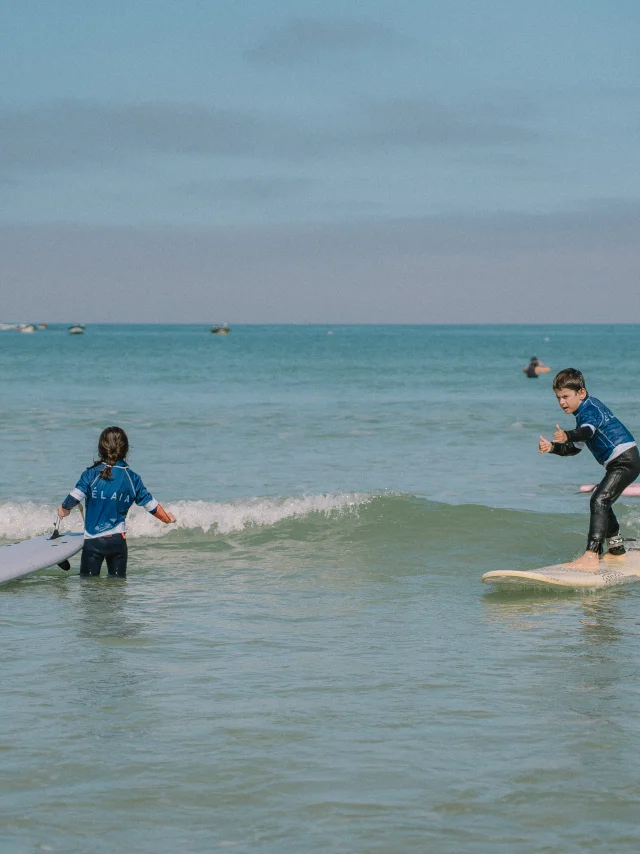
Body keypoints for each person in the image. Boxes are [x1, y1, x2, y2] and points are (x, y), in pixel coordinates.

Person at [538, 368, 640, 572]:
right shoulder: (582, 416)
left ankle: (591, 555)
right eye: (558, 398)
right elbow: (575, 449)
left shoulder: (591, 409)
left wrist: (568, 434)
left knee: (598, 500)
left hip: (625, 460)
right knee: (603, 500)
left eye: (566, 396)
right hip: (621, 461)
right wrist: (553, 447)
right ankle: (616, 548)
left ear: (581, 393)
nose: (562, 402)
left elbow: (586, 432)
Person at [58, 426, 176, 577]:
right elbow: (151, 505)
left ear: (100, 449)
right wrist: (167, 518)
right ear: (126, 450)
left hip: (94, 542)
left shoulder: (91, 474)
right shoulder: (132, 478)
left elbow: (74, 498)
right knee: (117, 589)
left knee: (89, 588)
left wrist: (64, 509)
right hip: (118, 542)